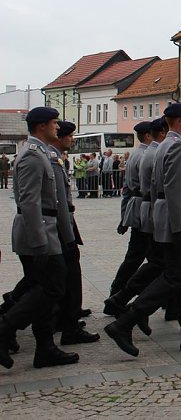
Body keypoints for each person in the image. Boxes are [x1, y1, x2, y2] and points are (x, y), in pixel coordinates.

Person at [104, 103, 181, 356]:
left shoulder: (162, 146)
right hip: (176, 218)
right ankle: (125, 322)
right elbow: (178, 192)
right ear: (177, 121)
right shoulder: (175, 146)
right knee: (175, 276)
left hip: (165, 215)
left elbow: (157, 188)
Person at [0, 107, 79, 369]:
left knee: (46, 289)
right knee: (51, 287)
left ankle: (45, 348)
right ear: (42, 126)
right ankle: (5, 328)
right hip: (39, 232)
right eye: (54, 123)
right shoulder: (33, 156)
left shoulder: (42, 153)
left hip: (47, 229)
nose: (58, 127)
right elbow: (31, 202)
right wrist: (39, 243)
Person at [49, 121, 99, 345]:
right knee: (64, 274)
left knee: (62, 274)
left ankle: (67, 315)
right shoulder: (51, 158)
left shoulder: (57, 157)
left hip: (63, 221)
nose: (71, 140)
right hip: (58, 224)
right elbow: (57, 199)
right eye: (69, 136)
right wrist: (66, 233)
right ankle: (66, 321)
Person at [109, 122, 153, 296]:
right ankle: (118, 293)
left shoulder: (135, 155)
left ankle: (163, 297)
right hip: (144, 209)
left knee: (144, 257)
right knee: (138, 257)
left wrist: (124, 217)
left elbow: (126, 190)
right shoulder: (145, 156)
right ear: (148, 136)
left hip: (136, 207)